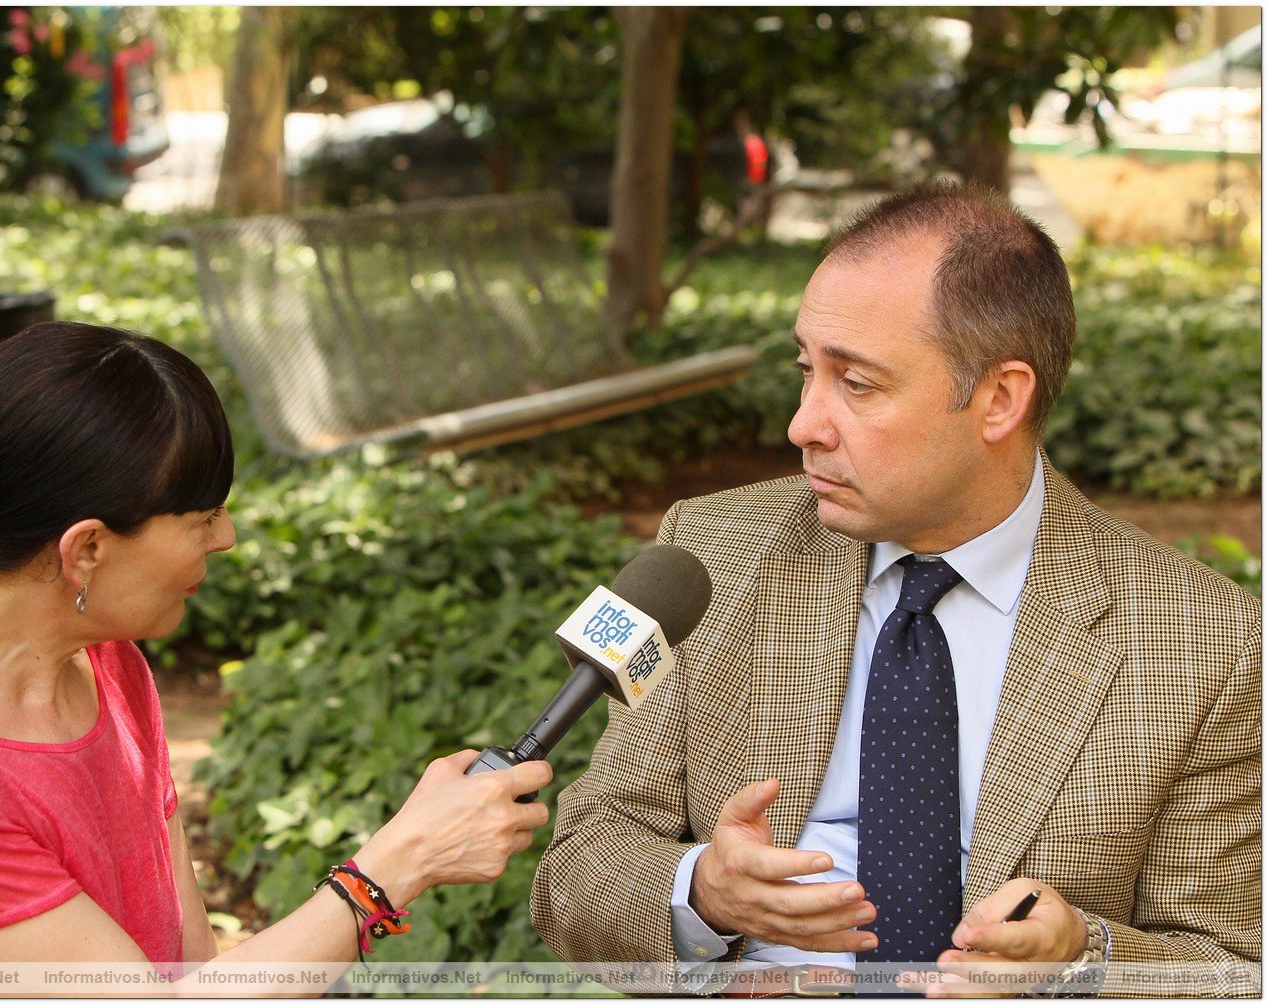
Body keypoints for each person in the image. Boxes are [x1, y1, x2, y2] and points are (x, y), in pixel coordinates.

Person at [531, 183, 1261, 999]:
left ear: (999, 399)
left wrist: (1081, 965)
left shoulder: (1207, 642)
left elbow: (1232, 971)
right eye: (807, 370)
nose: (803, 424)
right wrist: (702, 892)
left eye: (859, 384)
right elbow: (581, 863)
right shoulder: (709, 555)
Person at [0, 321, 552, 996]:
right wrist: (395, 865)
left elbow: (188, 965)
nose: (227, 537)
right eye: (203, 515)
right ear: (87, 550)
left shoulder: (104, 665)